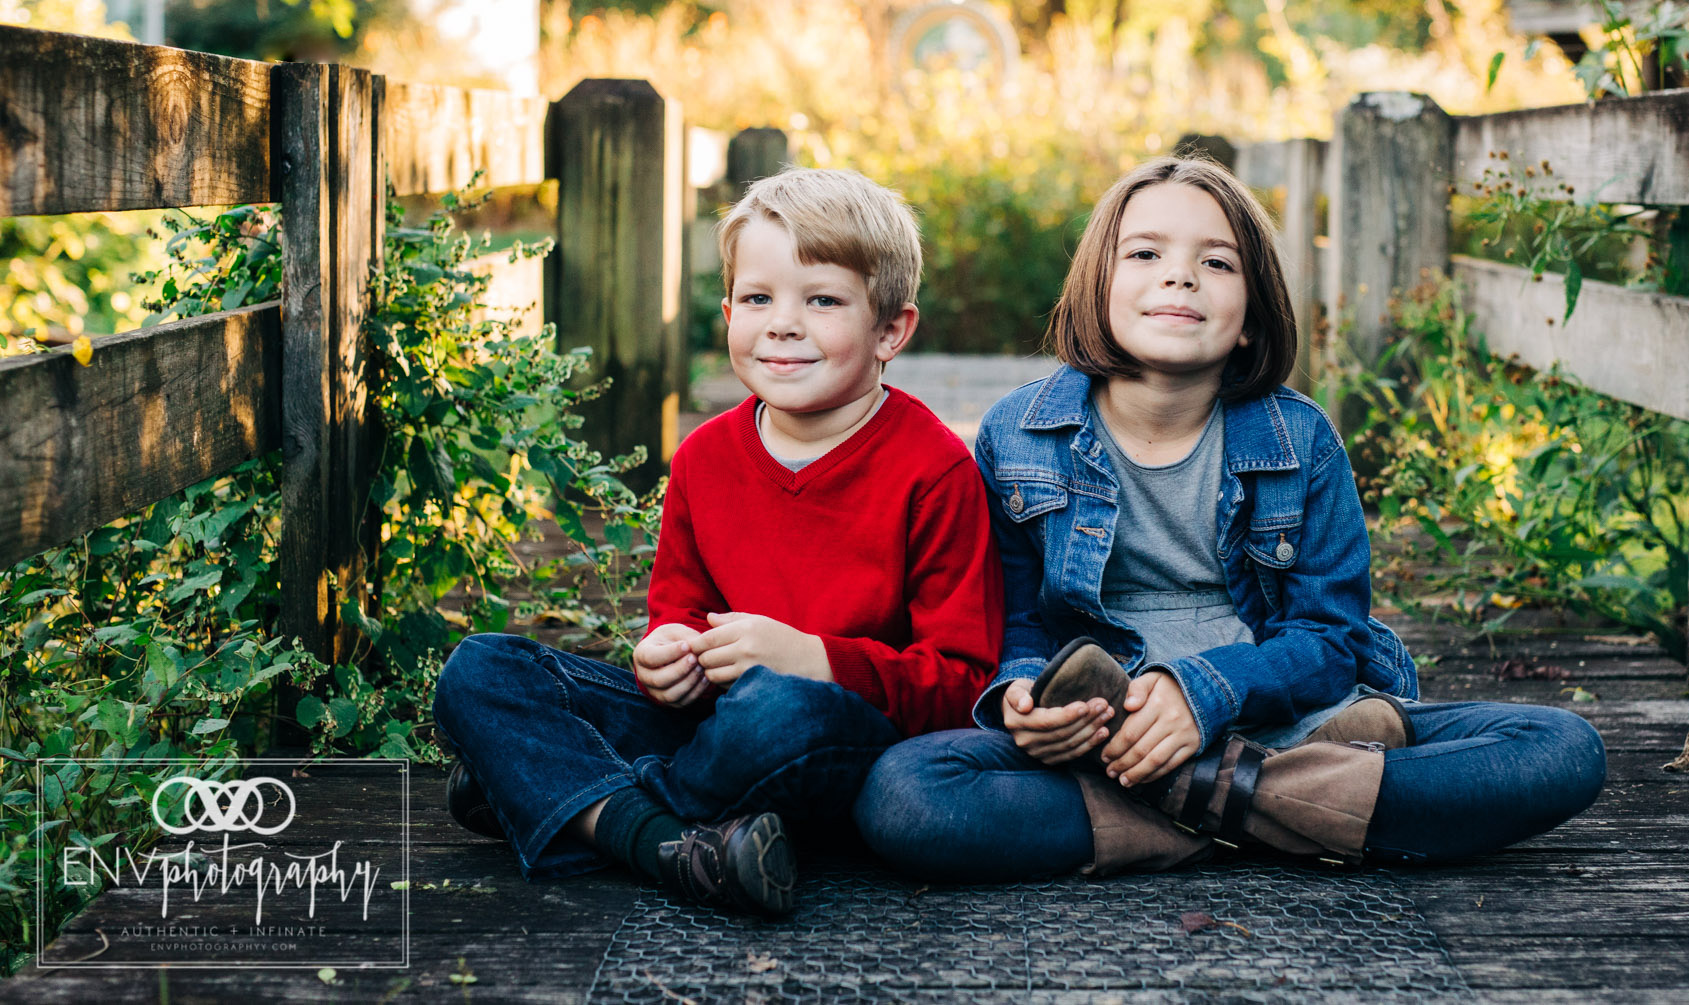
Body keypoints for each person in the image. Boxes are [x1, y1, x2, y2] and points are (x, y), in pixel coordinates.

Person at [854, 156, 1606, 882]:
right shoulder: (1017, 434)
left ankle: (1174, 817)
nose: (1179, 275)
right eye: (1145, 252)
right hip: (1110, 740)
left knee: (1559, 746)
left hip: (1292, 720)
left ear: (1250, 316)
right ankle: (1289, 808)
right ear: (1098, 287)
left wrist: (1200, 693)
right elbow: (1018, 620)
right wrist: (1023, 696)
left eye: (1217, 263)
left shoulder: (1300, 441)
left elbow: (1329, 639)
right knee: (907, 793)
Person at [433, 168, 1003, 915]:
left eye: (822, 300)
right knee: (483, 669)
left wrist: (816, 659)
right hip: (704, 730)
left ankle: (564, 794)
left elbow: (964, 685)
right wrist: (666, 653)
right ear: (729, 309)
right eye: (759, 298)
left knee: (783, 709)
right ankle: (668, 843)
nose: (783, 323)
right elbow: (680, 607)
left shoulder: (935, 469)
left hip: (830, 743)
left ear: (890, 328)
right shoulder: (703, 456)